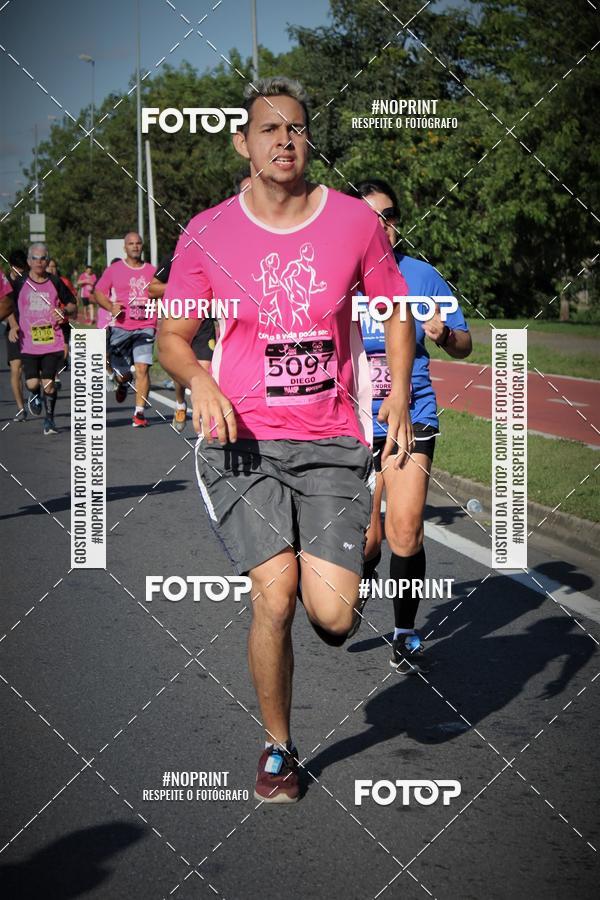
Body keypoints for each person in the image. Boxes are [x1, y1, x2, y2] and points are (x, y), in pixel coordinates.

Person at [159, 76, 415, 803]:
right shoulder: (206, 231)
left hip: (331, 437)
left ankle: (342, 559)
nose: (283, 140)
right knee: (273, 600)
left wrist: (394, 393)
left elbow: (395, 308)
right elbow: (173, 335)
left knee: (332, 616)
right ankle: (280, 749)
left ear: (309, 140)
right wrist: (199, 380)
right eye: (268, 129)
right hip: (242, 441)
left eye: (296, 128)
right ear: (243, 143)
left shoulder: (352, 223)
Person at [352, 178, 472, 673]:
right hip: (354, 418)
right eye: (370, 216)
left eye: (389, 214)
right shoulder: (339, 278)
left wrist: (444, 333)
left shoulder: (422, 277)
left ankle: (404, 630)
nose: (382, 224)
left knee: (405, 532)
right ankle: (359, 573)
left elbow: (465, 343)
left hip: (413, 412)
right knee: (367, 539)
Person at [11, 243, 77, 434]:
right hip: (28, 343)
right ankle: (33, 394)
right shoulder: (20, 283)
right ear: (29, 261)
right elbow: (7, 306)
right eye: (35, 258)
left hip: (51, 341)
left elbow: (73, 304)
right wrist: (13, 325)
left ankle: (49, 420)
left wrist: (64, 310)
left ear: (47, 260)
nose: (39, 262)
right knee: (32, 383)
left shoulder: (55, 282)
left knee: (49, 384)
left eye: (42, 258)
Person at [94, 234, 156, 427]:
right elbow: (98, 292)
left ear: (142, 246)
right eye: (131, 244)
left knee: (142, 368)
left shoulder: (152, 271)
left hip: (145, 326)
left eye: (138, 243)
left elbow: (163, 291)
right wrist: (111, 306)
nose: (135, 246)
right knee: (123, 374)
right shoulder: (115, 269)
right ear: (125, 248)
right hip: (121, 327)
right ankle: (121, 382)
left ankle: (139, 414)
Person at [148, 253, 215, 432]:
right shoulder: (172, 259)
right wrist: (180, 286)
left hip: (204, 323)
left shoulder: (212, 256)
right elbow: (152, 289)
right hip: (179, 322)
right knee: (182, 370)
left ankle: (203, 427)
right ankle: (180, 404)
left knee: (203, 373)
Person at [3, 254, 25, 419]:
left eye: (22, 267)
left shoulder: (30, 281)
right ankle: (20, 408)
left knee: (32, 372)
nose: (20, 271)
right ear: (10, 266)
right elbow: (6, 305)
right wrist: (13, 325)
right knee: (15, 369)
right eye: (17, 267)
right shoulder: (6, 281)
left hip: (32, 329)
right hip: (13, 329)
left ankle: (34, 393)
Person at [47, 259, 76, 380]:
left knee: (64, 351)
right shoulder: (41, 283)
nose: (51, 269)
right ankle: (55, 375)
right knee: (50, 350)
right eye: (49, 266)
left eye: (54, 266)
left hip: (63, 321)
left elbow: (72, 299)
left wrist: (71, 313)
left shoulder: (63, 281)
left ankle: (61, 364)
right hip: (47, 323)